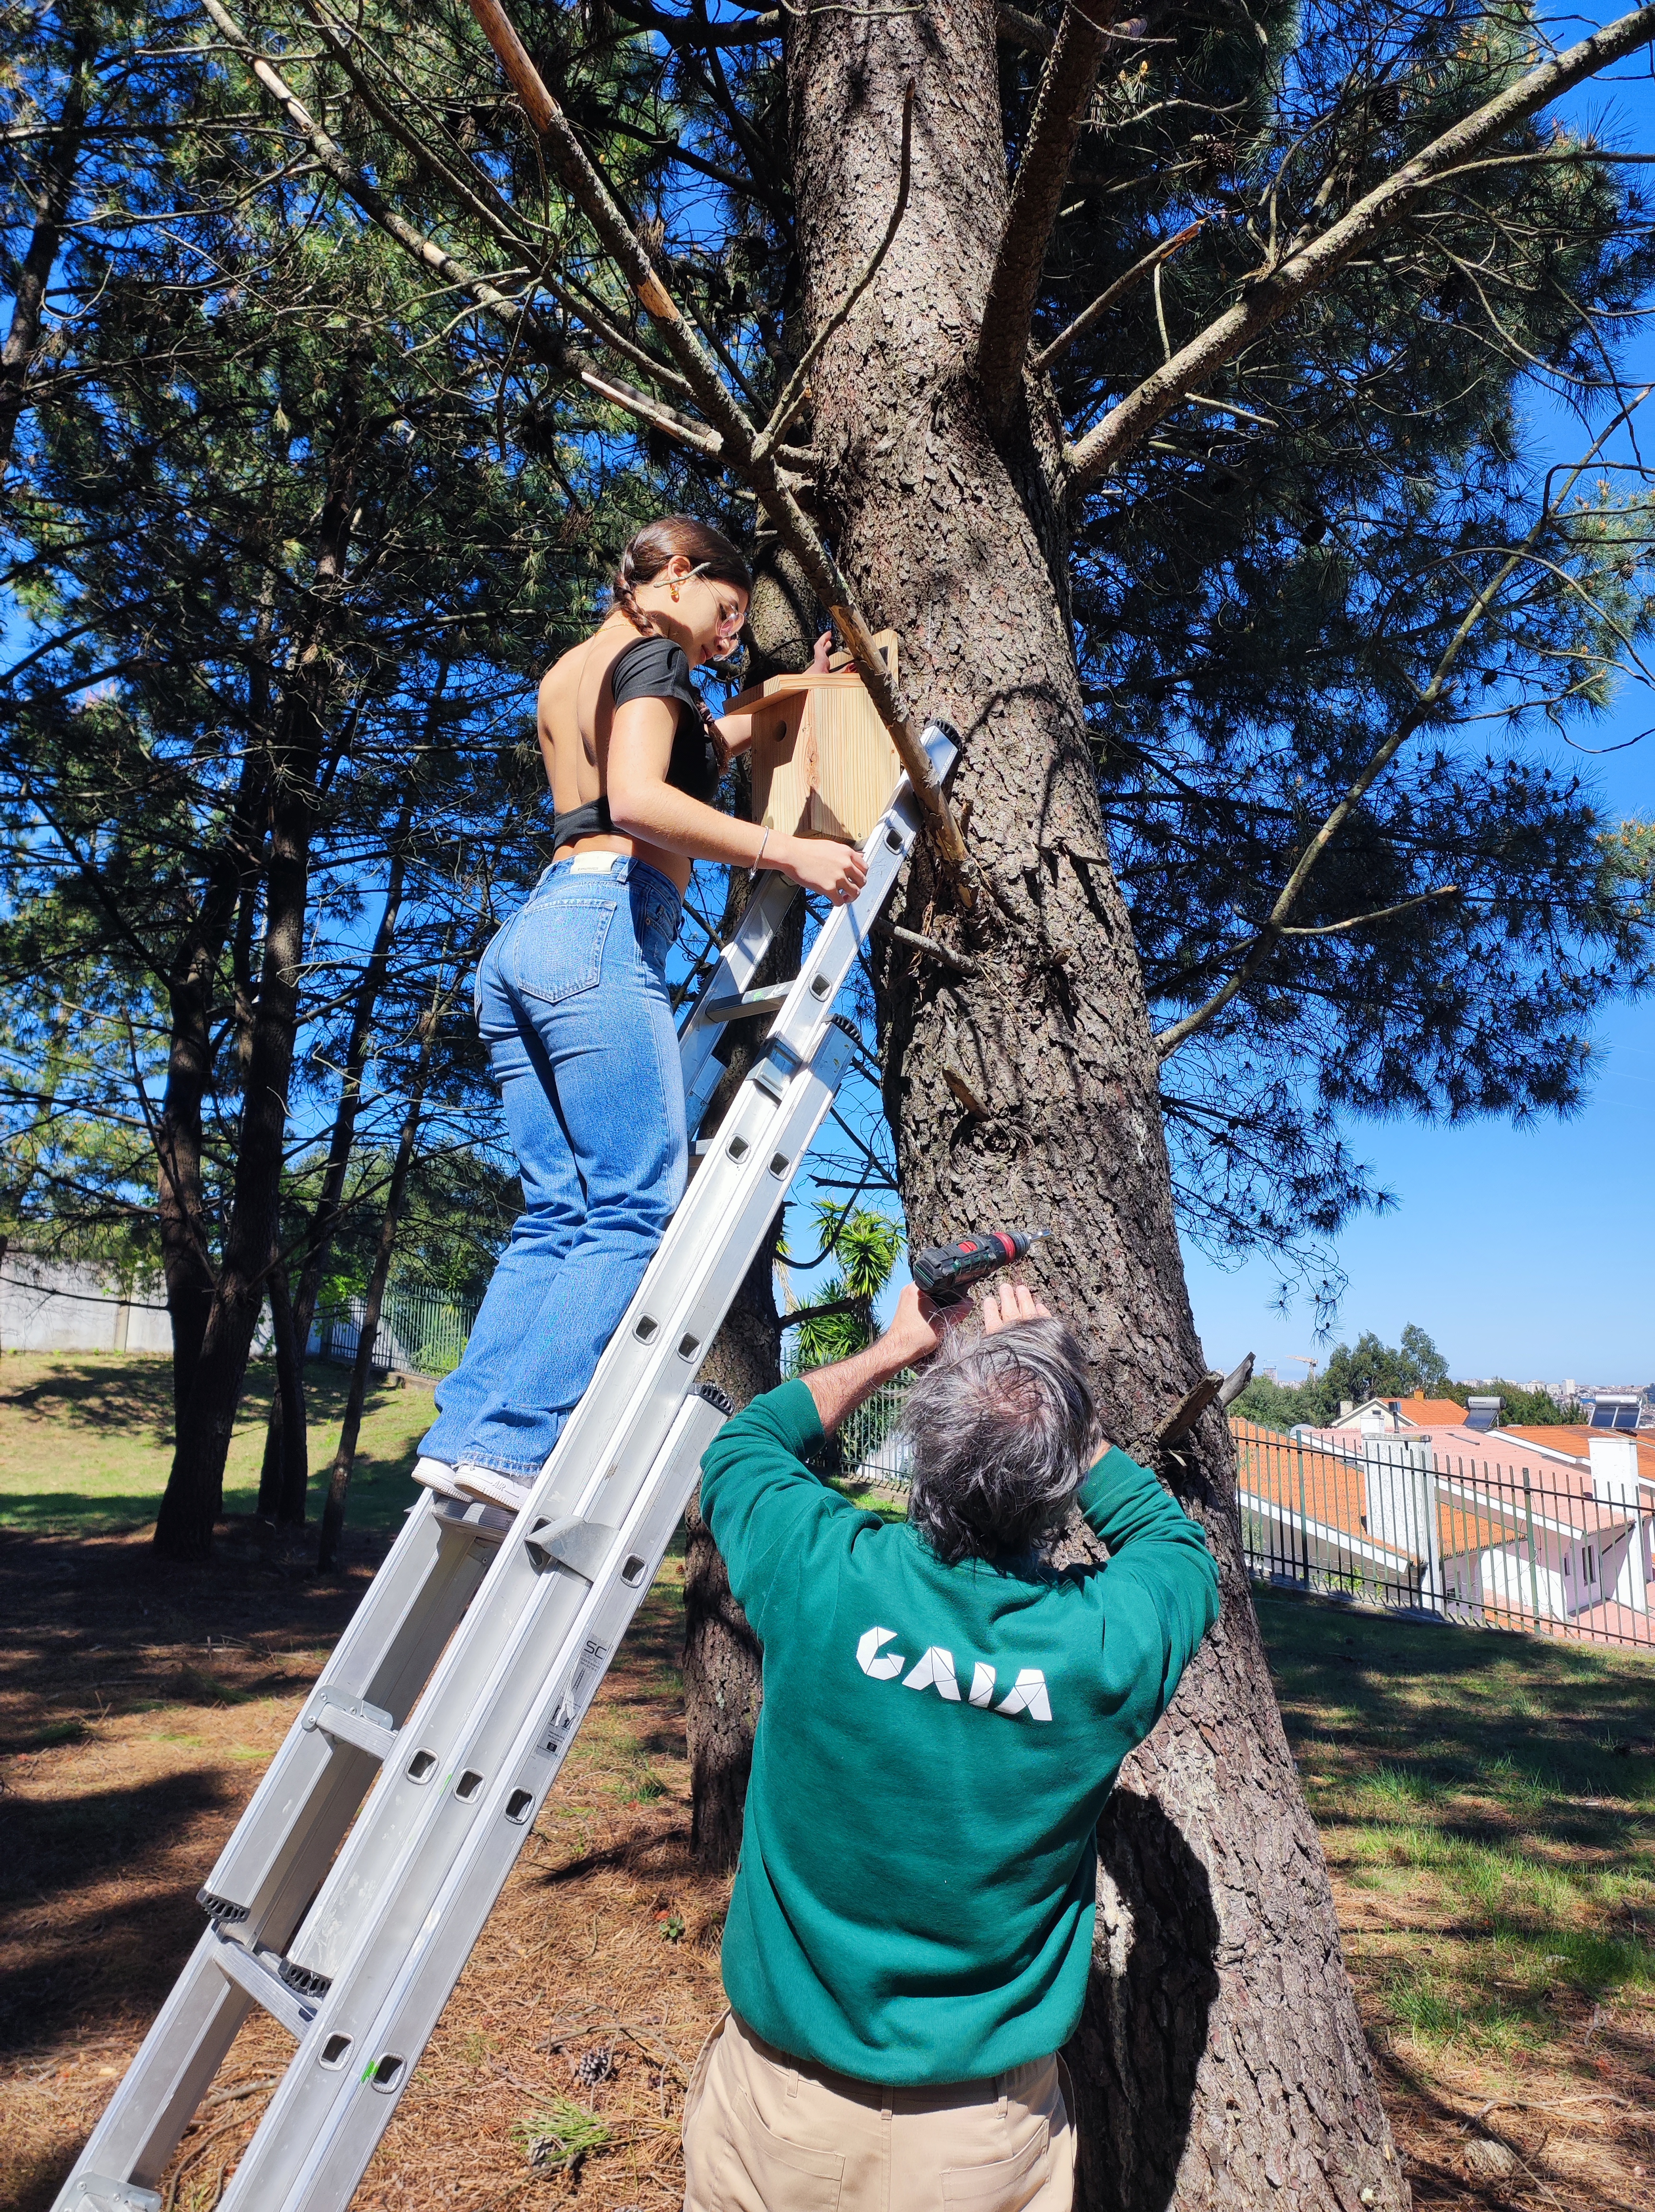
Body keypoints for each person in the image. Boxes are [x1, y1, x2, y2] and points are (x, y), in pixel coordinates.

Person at [683, 1278, 1220, 2212]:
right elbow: (1171, 1546)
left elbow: (743, 1444)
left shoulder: (822, 1572)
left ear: (924, 1451)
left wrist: (897, 1349)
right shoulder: (1101, 1649)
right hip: (969, 2143)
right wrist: (1051, 1400)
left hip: (773, 2105)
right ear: (1055, 1488)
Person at [415, 516, 868, 1511]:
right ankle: (520, 1447)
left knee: (558, 1212)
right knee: (631, 1203)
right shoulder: (656, 655)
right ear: (674, 572)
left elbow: (689, 743)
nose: (724, 636)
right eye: (724, 610)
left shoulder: (585, 664)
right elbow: (638, 797)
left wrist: (791, 691)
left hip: (529, 940)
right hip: (601, 929)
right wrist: (784, 851)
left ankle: (466, 1435)